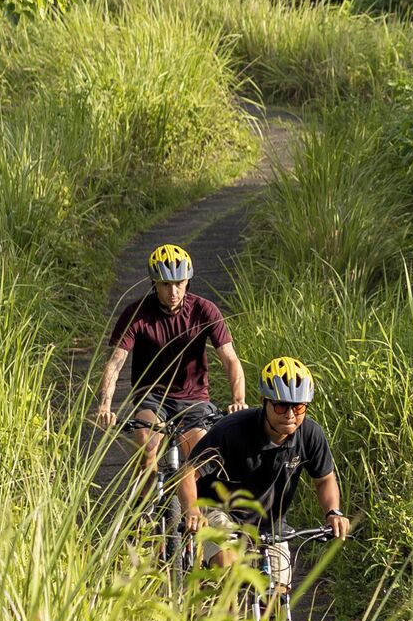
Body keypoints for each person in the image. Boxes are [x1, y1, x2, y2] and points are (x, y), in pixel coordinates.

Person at [91, 243, 245, 524]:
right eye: (165, 285)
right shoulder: (136, 313)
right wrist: (105, 404)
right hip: (152, 398)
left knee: (200, 456)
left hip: (195, 399)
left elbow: (230, 359)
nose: (173, 292)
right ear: (154, 283)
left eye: (179, 284)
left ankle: (202, 520)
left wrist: (238, 398)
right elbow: (115, 363)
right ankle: (144, 511)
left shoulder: (204, 310)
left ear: (187, 281)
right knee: (146, 446)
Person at [188, 358, 349, 600]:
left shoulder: (310, 435)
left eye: (299, 407)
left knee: (278, 597)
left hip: (271, 526)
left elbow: (324, 479)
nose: (291, 415)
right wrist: (192, 511)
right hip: (220, 512)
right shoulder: (232, 430)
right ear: (265, 403)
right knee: (228, 572)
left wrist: (333, 512)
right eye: (281, 406)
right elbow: (189, 473)